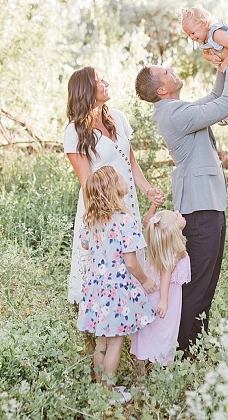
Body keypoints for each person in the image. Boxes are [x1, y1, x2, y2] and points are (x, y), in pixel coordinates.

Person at [134, 63, 228, 356]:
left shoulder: (177, 109)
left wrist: (225, 66)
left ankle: (195, 346)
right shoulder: (174, 113)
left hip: (207, 202)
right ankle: (184, 352)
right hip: (198, 208)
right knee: (197, 285)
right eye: (166, 71)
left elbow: (215, 97)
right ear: (162, 89)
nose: (172, 69)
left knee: (206, 282)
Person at [64, 66, 165, 304]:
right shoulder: (74, 132)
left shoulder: (117, 117)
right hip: (101, 209)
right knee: (102, 268)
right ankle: (93, 329)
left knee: (130, 261)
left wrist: (147, 190)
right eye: (100, 81)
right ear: (86, 90)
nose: (106, 82)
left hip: (128, 203)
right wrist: (96, 223)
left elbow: (130, 162)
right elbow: (87, 182)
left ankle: (129, 322)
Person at [76, 166, 157, 396]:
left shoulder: (91, 221)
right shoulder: (125, 222)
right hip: (116, 291)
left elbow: (84, 244)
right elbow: (130, 262)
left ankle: (100, 388)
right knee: (116, 342)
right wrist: (145, 281)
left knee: (102, 341)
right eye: (120, 176)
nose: (124, 178)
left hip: (95, 288)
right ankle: (108, 392)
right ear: (113, 189)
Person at [181, 6, 228, 133]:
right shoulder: (203, 40)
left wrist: (226, 63)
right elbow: (205, 53)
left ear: (204, 24)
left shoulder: (216, 33)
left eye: (193, 32)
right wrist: (211, 58)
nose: (191, 37)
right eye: (188, 34)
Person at [130, 204, 191, 365]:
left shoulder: (161, 243)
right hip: (163, 295)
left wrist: (152, 207)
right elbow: (166, 274)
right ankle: (160, 364)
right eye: (176, 216)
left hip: (151, 294)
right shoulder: (176, 250)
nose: (179, 213)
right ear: (172, 230)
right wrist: (164, 300)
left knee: (147, 331)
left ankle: (142, 368)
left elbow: (148, 223)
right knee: (164, 330)